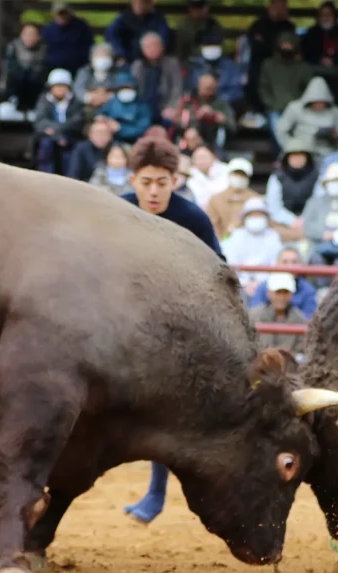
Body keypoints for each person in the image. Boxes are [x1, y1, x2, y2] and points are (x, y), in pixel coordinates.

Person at [120, 136, 223, 525]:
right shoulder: (116, 210)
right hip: (125, 324)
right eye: (146, 182)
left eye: (162, 182)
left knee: (168, 412)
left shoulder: (193, 218)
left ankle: (158, 492)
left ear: (175, 181)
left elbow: (219, 271)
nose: (153, 191)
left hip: (180, 329)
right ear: (133, 179)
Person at [258, 32, 314, 149]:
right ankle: (281, 157)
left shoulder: (303, 67)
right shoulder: (268, 65)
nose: (287, 47)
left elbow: (310, 89)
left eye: (289, 44)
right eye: (284, 44)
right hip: (275, 108)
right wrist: (270, 103)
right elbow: (263, 87)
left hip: (298, 108)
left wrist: (301, 105)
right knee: (277, 131)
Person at [223, 197, 284, 298]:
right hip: (239, 285)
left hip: (266, 286)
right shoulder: (236, 236)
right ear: (245, 217)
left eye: (260, 215)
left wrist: (261, 283)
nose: (256, 218)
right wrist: (245, 283)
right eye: (253, 215)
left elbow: (276, 264)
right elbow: (231, 262)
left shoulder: (273, 236)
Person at [244, 0, 297, 115]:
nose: (280, 9)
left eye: (283, 6)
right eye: (277, 6)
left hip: (284, 64)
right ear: (270, 7)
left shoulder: (289, 27)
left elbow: (292, 48)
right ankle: (255, 110)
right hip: (259, 63)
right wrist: (274, 48)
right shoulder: (258, 25)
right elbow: (255, 46)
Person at [274, 76, 338, 159]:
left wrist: (334, 135)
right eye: (316, 102)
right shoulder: (295, 108)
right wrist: (291, 147)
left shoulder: (335, 112)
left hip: (327, 152)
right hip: (302, 151)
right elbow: (280, 130)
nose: (319, 105)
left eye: (322, 102)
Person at [300, 1, 338, 104]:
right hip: (315, 70)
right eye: (323, 15)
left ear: (334, 16)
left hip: (337, 71)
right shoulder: (311, 34)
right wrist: (319, 60)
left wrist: (334, 60)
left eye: (329, 14)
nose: (326, 17)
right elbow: (305, 53)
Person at [34, 69, 85, 175]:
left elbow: (77, 122)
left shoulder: (76, 102)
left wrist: (60, 132)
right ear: (50, 87)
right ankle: (46, 177)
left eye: (63, 86)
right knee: (45, 145)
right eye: (57, 86)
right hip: (51, 139)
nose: (60, 89)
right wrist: (58, 136)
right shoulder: (44, 100)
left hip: (70, 138)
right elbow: (40, 122)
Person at [266, 138, 318, 240]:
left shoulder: (317, 176)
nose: (297, 159)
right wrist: (291, 221)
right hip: (282, 223)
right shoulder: (277, 177)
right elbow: (273, 207)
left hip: (311, 222)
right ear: (287, 158)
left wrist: (303, 220)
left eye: (301, 155)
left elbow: (318, 202)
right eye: (294, 155)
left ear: (307, 157)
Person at [171, 73, 235, 151]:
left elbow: (232, 127)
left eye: (210, 87)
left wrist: (215, 115)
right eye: (204, 86)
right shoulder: (188, 101)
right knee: (190, 134)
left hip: (211, 142)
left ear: (215, 87)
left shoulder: (221, 104)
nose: (206, 90)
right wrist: (195, 116)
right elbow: (176, 121)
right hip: (187, 139)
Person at [248, 272, 307, 356]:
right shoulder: (253, 316)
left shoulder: (300, 319)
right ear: (269, 293)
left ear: (291, 294)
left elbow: (301, 350)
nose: (281, 297)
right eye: (278, 292)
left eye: (285, 292)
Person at [248, 247, 318, 318]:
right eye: (285, 262)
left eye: (294, 262)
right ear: (277, 264)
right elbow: (254, 315)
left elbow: (309, 320)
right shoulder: (263, 287)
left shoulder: (308, 290)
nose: (290, 266)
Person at [130, 32, 183, 125]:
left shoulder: (172, 63)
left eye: (155, 46)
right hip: (143, 107)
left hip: (165, 106)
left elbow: (177, 88)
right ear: (143, 50)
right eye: (148, 47)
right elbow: (133, 88)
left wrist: (172, 106)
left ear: (162, 47)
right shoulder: (138, 65)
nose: (152, 49)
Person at [185, 31, 244, 106]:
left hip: (224, 106)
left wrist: (217, 100)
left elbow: (237, 92)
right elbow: (188, 90)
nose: (212, 48)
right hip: (197, 106)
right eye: (208, 45)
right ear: (201, 47)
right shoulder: (193, 65)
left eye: (215, 45)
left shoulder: (230, 66)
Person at [0, 23, 47, 113]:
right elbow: (7, 73)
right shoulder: (13, 48)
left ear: (38, 36)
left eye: (32, 34)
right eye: (26, 34)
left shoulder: (44, 50)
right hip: (15, 93)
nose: (29, 37)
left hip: (37, 93)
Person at [106, 0, 171, 66]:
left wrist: (154, 50)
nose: (139, 5)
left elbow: (164, 37)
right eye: (136, 3)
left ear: (150, 4)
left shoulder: (158, 18)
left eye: (143, 3)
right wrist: (120, 53)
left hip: (151, 58)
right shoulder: (124, 17)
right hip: (128, 57)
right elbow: (111, 34)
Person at [206, 158, 258, 239]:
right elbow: (212, 225)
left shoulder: (255, 199)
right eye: (235, 174)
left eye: (242, 175)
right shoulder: (216, 199)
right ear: (229, 174)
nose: (239, 177)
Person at [96, 72, 151, 144]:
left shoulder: (142, 106)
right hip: (111, 142)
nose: (126, 90)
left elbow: (142, 129)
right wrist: (104, 120)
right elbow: (101, 114)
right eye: (122, 88)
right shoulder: (112, 102)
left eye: (128, 87)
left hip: (134, 142)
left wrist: (120, 128)